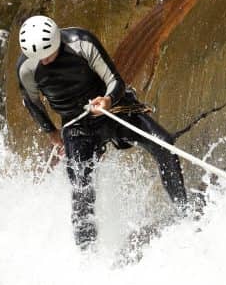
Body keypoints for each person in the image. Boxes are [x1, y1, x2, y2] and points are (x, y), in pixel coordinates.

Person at [16, 15, 190, 248]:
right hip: (76, 126)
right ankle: (88, 257)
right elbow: (32, 102)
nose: (45, 61)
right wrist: (51, 131)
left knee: (164, 145)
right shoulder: (26, 68)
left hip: (114, 111)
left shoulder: (81, 42)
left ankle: (184, 213)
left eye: (48, 53)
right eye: (38, 57)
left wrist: (107, 100)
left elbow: (114, 80)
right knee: (81, 189)